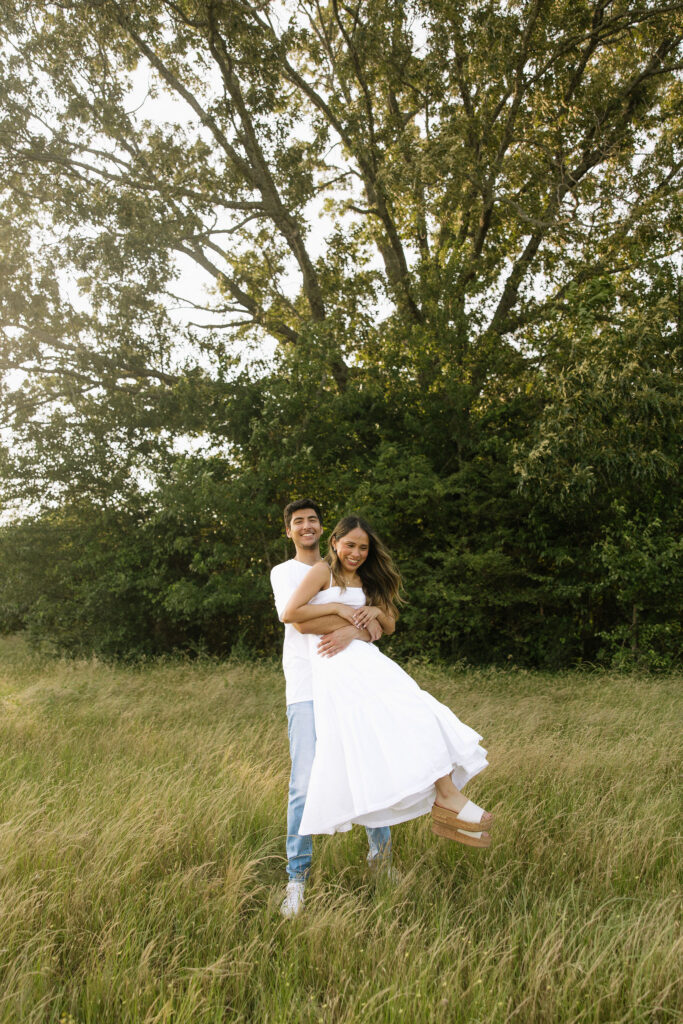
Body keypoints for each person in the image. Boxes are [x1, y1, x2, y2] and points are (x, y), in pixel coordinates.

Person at [281, 514, 493, 847]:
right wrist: (338, 608)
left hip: (370, 663)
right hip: (338, 667)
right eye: (350, 545)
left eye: (363, 547)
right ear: (334, 542)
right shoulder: (322, 572)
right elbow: (291, 614)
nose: (356, 553)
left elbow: (388, 625)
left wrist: (375, 617)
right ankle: (445, 799)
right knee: (398, 725)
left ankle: (446, 795)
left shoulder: (367, 579)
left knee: (421, 715)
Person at [270, 499, 394, 919]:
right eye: (298, 522)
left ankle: (381, 861)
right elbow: (298, 621)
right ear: (288, 531)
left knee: (369, 771)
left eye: (313, 520)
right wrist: (347, 618)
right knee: (303, 783)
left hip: (351, 685)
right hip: (306, 685)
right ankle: (296, 879)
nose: (306, 526)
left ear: (326, 530)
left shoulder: (349, 570)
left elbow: (380, 628)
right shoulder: (288, 573)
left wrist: (364, 624)